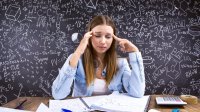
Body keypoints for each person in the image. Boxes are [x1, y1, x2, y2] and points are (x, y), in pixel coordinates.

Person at [52, 15, 145, 100]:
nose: (103, 41)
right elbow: (58, 95)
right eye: (97, 35)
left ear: (113, 40)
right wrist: (78, 52)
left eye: (108, 37)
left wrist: (135, 52)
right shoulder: (77, 60)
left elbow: (137, 93)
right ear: (89, 37)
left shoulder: (121, 63)